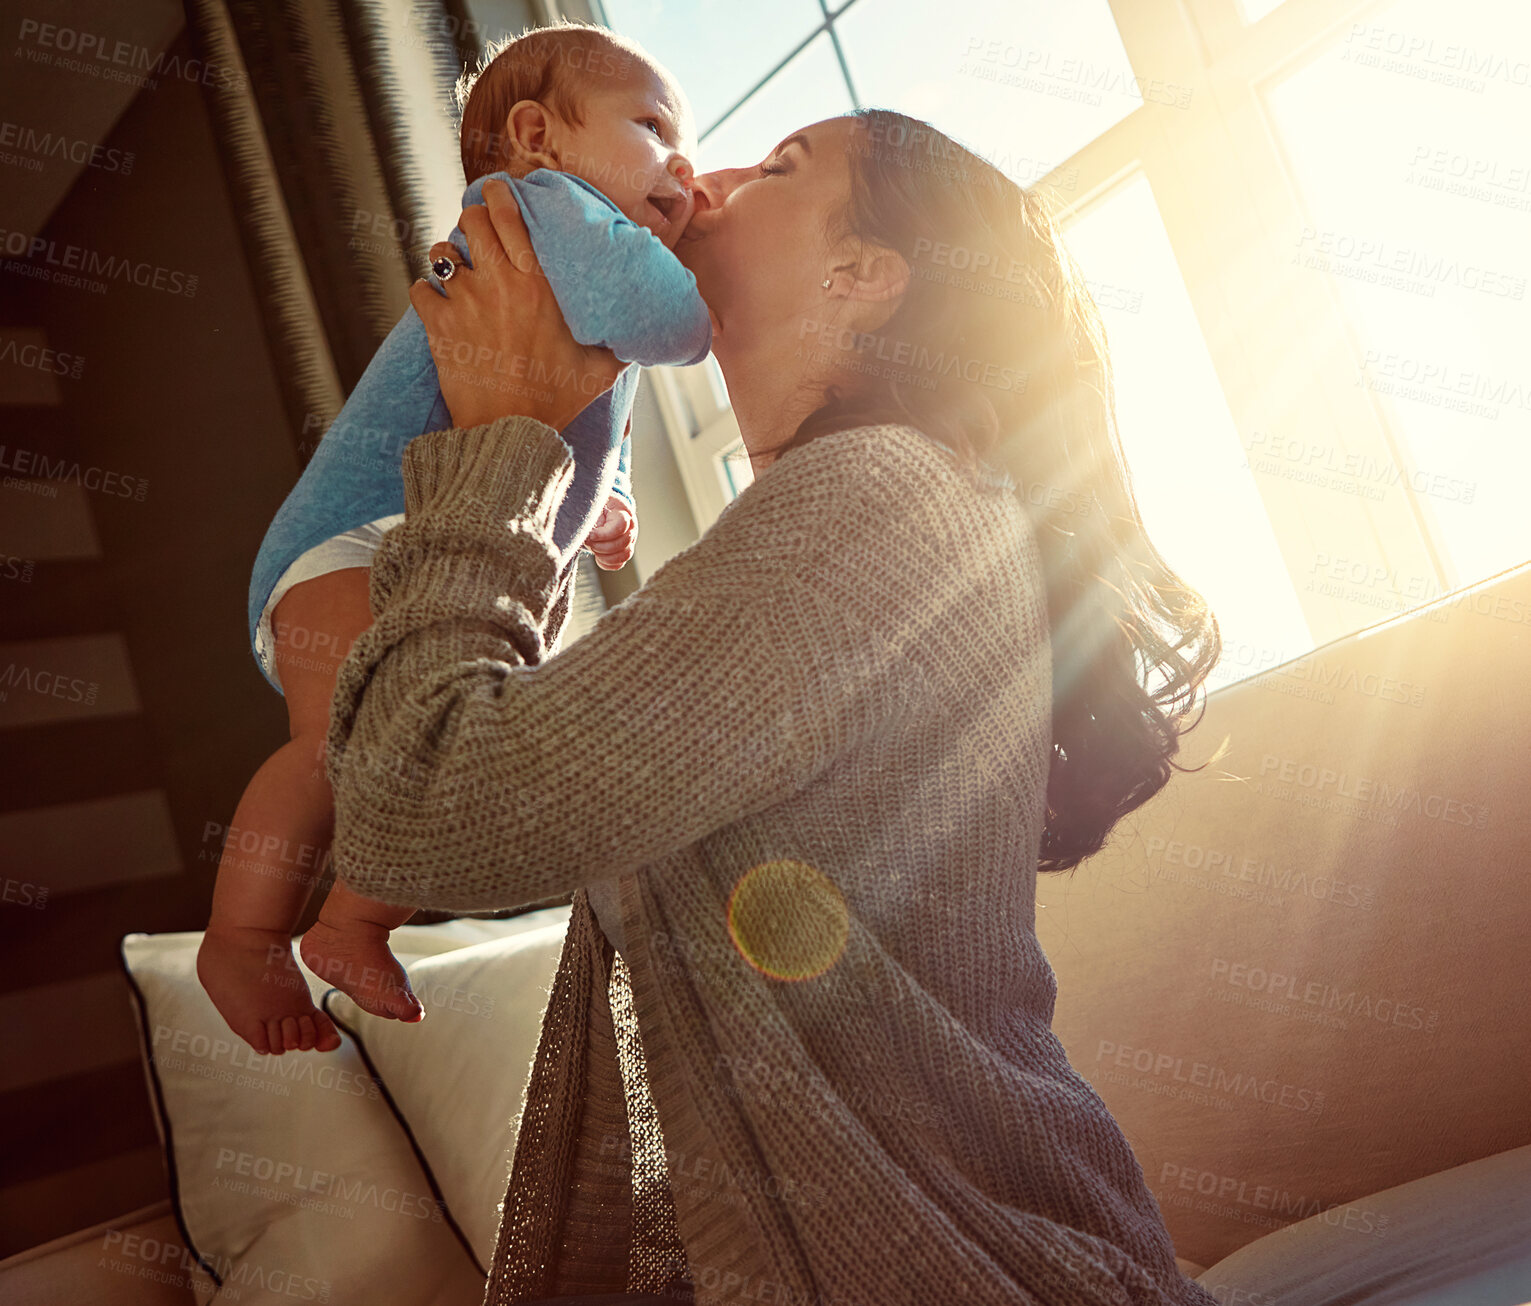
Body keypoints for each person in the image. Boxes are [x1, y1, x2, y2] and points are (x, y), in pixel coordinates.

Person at [324, 110, 1225, 1306]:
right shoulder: (891, 501)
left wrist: (500, 437)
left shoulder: (877, 496)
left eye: (781, 167)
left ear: (862, 278)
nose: (707, 175)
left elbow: (421, 807)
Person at [197, 19, 710, 1057]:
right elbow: (667, 321)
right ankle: (239, 936)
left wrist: (598, 500)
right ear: (536, 134)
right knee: (341, 748)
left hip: (421, 549)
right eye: (653, 127)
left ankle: (350, 922)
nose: (683, 163)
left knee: (417, 758)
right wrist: (721, 269)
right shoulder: (535, 205)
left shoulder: (572, 256)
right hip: (354, 541)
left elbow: (568, 412)